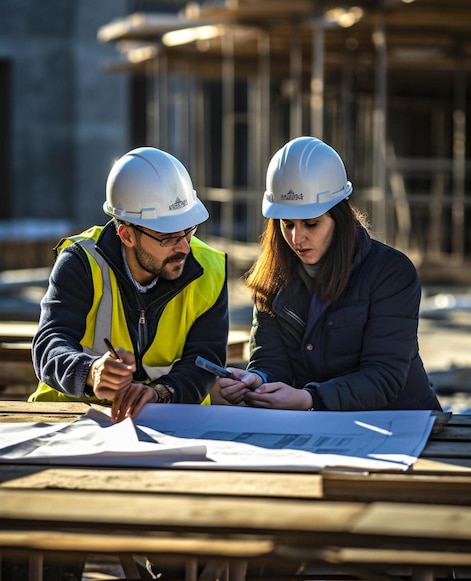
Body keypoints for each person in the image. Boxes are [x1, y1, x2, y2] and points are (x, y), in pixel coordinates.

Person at [218, 136, 442, 413]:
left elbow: (384, 377)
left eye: (311, 224)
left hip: (402, 423)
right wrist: (257, 379)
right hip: (320, 427)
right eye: (287, 225)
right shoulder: (273, 278)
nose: (297, 237)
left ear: (340, 217)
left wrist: (310, 398)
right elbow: (271, 361)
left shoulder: (391, 273)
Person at [29, 146, 229, 422]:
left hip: (174, 425)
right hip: (70, 422)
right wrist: (89, 372)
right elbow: (50, 344)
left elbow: (206, 360)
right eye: (168, 237)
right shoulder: (81, 263)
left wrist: (162, 393)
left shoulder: (209, 270)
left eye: (188, 230)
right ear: (126, 235)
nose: (184, 246)